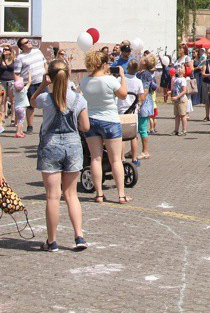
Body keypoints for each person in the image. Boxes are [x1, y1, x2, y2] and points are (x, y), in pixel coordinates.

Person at [30, 60, 91, 251]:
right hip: (73, 145)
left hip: (50, 145)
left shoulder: (46, 99)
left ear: (51, 76)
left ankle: (52, 241)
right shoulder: (78, 99)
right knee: (71, 194)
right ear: (69, 74)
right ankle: (79, 236)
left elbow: (31, 102)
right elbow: (86, 127)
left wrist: (42, 84)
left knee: (52, 197)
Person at [80, 50, 131, 204]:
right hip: (110, 120)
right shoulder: (109, 80)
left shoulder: (84, 81)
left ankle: (99, 194)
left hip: (91, 120)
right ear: (103, 64)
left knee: (95, 158)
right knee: (115, 160)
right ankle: (121, 195)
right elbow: (123, 94)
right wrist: (122, 76)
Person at [14, 37, 47, 134]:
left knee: (47, 103)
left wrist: (47, 73)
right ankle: (30, 126)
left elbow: (45, 64)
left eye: (29, 41)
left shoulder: (38, 51)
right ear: (22, 47)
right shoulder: (19, 58)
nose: (29, 42)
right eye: (26, 42)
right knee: (30, 106)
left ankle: (47, 125)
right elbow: (16, 73)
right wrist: (19, 86)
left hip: (42, 82)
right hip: (29, 84)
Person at [118, 60, 145, 167]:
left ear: (127, 68)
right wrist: (138, 104)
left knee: (121, 136)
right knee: (134, 136)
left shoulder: (120, 79)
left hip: (121, 109)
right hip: (133, 110)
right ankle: (134, 158)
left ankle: (122, 158)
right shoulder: (138, 81)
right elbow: (141, 96)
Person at [135, 55, 157, 159]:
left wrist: (139, 103)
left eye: (143, 58)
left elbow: (145, 90)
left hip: (143, 104)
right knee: (136, 128)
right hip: (139, 102)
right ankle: (133, 149)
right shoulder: (140, 73)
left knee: (142, 128)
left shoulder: (145, 74)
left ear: (144, 62)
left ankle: (145, 151)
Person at [0, 45, 15, 124]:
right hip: (2, 82)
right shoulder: (0, 59)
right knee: (2, 100)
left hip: (11, 82)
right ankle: (2, 117)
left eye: (6, 49)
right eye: (3, 49)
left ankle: (13, 118)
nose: (4, 51)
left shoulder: (13, 59)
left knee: (12, 100)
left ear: (10, 51)